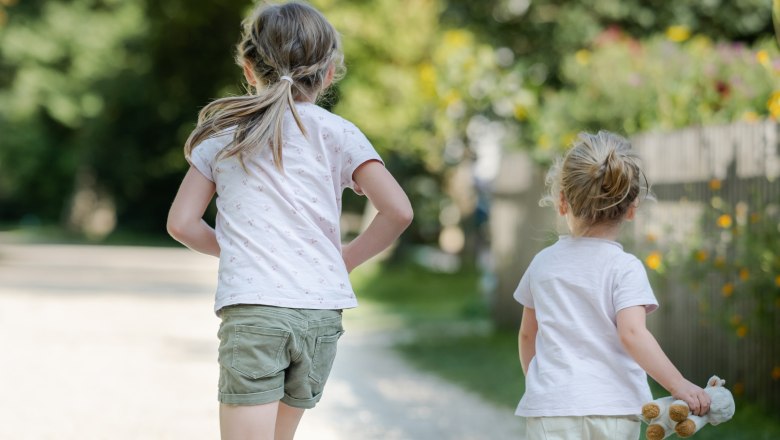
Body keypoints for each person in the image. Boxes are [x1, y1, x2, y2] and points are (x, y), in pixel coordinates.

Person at [166, 2, 413, 439]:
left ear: (248, 68)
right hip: (318, 314)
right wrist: (347, 259)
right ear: (330, 72)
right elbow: (398, 210)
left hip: (256, 310)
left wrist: (243, 246)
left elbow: (182, 224)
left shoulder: (226, 135)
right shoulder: (339, 133)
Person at [514, 131, 711, 439]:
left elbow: (528, 334)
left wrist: (539, 385)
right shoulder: (625, 268)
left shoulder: (542, 263)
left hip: (550, 410)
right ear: (632, 208)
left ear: (562, 201)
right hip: (613, 409)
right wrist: (679, 385)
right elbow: (632, 333)